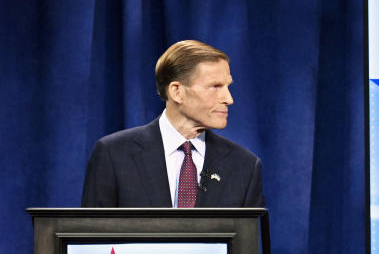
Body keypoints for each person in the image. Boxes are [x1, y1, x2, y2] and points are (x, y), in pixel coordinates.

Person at [82, 40, 265, 208]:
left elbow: (248, 242)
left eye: (228, 87)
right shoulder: (114, 155)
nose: (229, 99)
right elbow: (91, 239)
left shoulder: (244, 166)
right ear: (177, 91)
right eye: (215, 86)